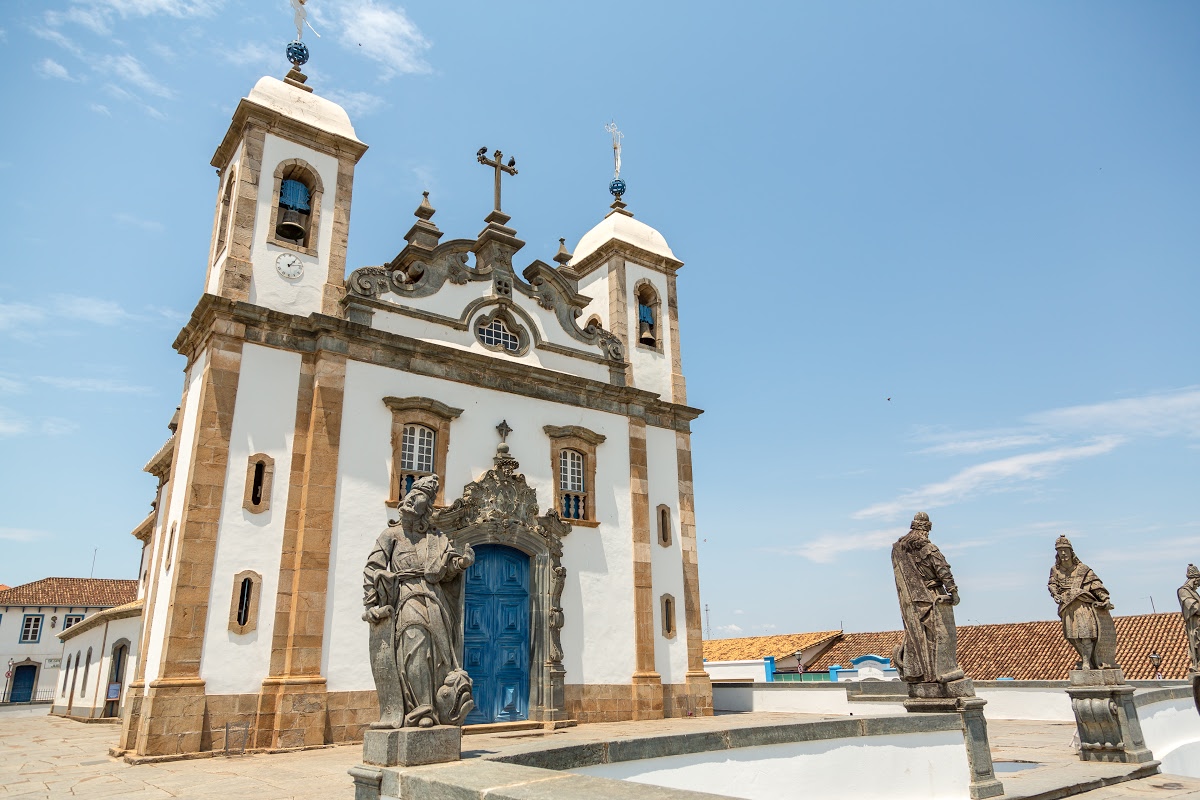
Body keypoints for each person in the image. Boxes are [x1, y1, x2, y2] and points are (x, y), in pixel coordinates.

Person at [362, 475, 476, 728]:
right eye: (412, 499)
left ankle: (434, 709)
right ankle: (420, 708)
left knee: (439, 655)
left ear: (426, 510)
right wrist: (372, 605)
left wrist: (461, 563)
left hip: (434, 599)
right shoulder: (391, 535)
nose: (414, 504)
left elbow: (446, 568)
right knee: (415, 647)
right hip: (405, 596)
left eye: (420, 501)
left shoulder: (435, 538)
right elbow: (373, 568)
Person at [891, 512, 965, 684]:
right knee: (939, 637)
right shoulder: (928, 548)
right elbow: (943, 570)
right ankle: (937, 673)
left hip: (909, 601)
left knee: (916, 637)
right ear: (926, 530)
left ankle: (917, 672)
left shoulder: (897, 549)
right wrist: (953, 593)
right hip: (932, 596)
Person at [1047, 535, 1117, 671]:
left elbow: (1095, 584)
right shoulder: (1055, 570)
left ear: (1071, 551)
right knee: (1072, 637)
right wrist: (1055, 594)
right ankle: (1088, 660)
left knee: (1085, 635)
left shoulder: (1082, 569)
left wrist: (1104, 598)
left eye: (1065, 550)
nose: (1063, 554)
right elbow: (1052, 584)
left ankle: (1086, 662)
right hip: (1067, 607)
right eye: (1060, 551)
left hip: (1082, 604)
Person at [1179, 564, 1200, 671]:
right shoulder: (1183, 591)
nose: (1198, 586)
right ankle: (1196, 665)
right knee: (1197, 646)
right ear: (1195, 580)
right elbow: (1194, 607)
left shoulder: (1193, 592)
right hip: (1194, 627)